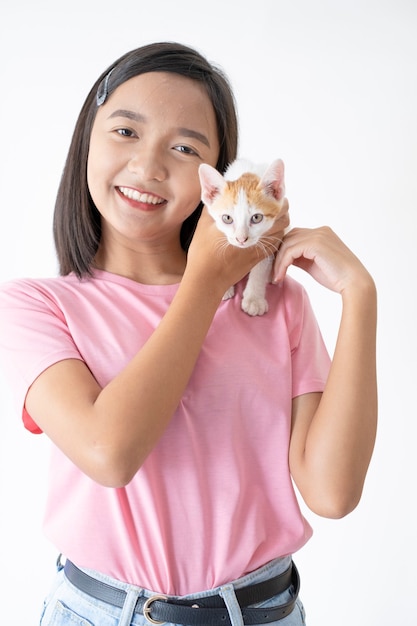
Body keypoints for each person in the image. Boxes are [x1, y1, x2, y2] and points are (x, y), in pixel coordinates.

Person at [0, 42, 377, 626]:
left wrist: (360, 295)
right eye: (126, 131)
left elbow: (332, 493)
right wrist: (204, 280)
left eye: (183, 147)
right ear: (87, 140)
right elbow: (110, 452)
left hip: (263, 612)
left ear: (216, 179)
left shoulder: (275, 305)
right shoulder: (36, 306)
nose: (149, 166)